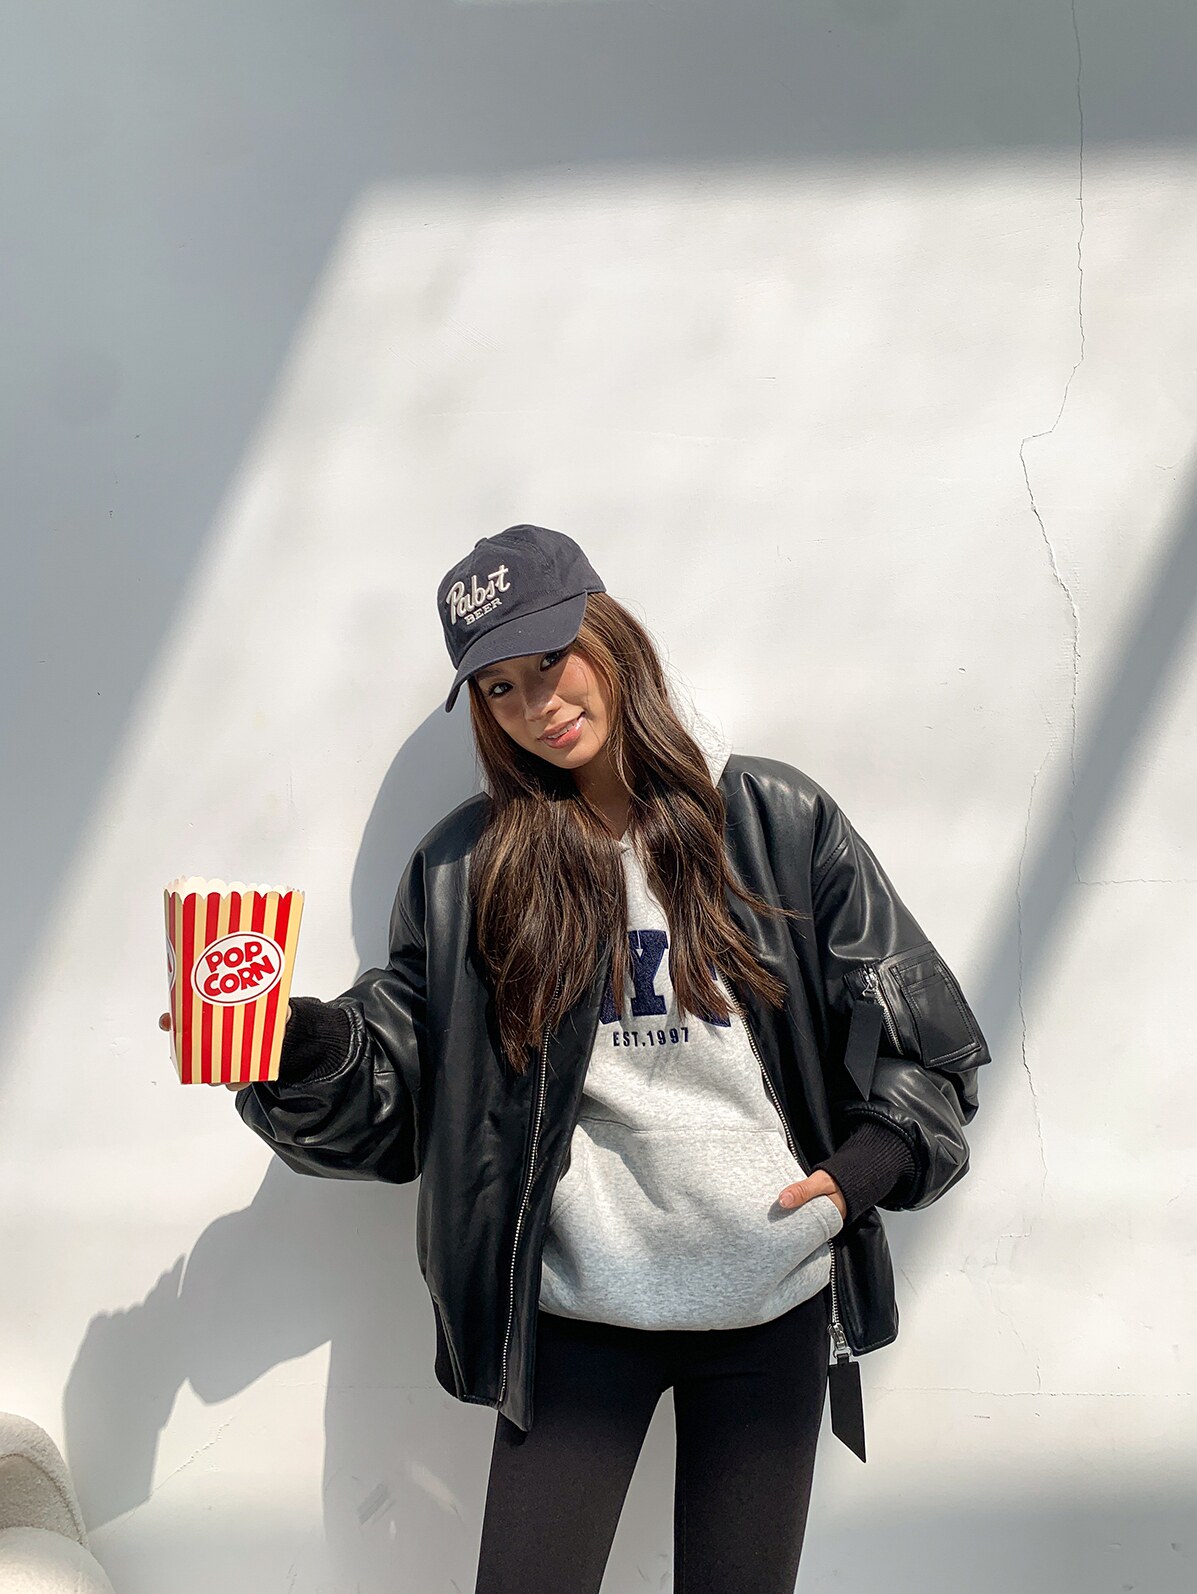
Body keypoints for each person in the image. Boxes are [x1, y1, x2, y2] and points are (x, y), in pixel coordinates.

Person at [159, 523, 990, 1593]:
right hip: (578, 1311)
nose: (536, 704)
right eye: (499, 687)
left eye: (551, 658)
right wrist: (294, 1042)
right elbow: (401, 1089)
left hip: (769, 1296)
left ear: (609, 635)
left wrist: (853, 1180)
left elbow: (930, 1042)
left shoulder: (775, 821)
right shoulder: (470, 869)